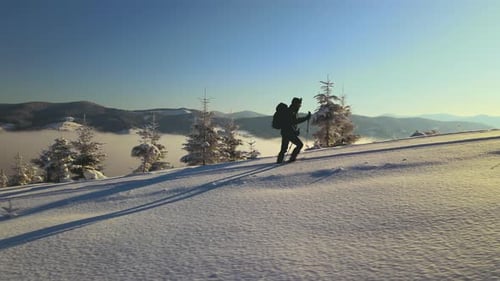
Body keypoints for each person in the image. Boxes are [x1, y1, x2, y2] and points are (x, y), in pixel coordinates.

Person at [277, 97, 311, 163]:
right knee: (299, 144)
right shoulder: (291, 111)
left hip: (285, 132)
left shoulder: (291, 110)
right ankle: (292, 159)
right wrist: (306, 118)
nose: (300, 106)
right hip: (288, 132)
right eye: (299, 104)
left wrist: (295, 131)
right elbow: (294, 121)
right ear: (296, 104)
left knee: (284, 149)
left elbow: (291, 122)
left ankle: (279, 161)